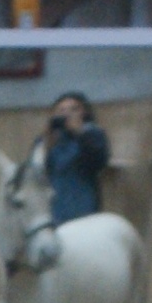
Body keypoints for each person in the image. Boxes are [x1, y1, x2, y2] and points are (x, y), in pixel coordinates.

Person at [41, 94, 110, 225]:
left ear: (84, 112)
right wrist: (47, 142)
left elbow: (99, 162)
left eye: (74, 109)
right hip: (53, 208)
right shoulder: (49, 139)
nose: (67, 114)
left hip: (82, 206)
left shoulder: (93, 133)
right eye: (61, 110)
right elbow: (37, 171)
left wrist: (79, 132)